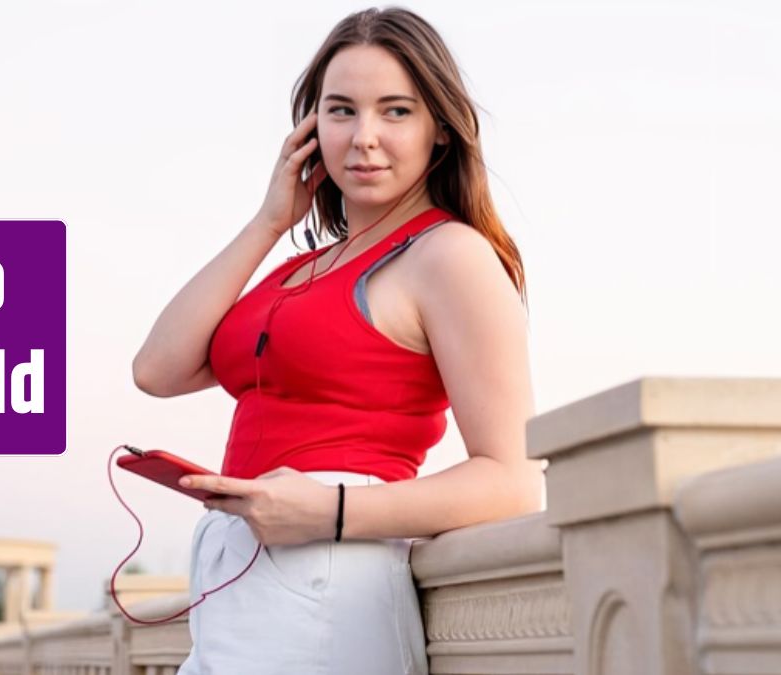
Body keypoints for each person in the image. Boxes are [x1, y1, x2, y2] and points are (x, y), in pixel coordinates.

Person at [131, 6, 542, 674]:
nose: (364, 138)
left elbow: (515, 481)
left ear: (439, 129)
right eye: (342, 110)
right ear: (308, 127)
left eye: (397, 111)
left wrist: (331, 510)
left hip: (328, 579)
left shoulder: (449, 256)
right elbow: (157, 367)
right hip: (238, 580)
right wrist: (270, 220)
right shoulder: (304, 266)